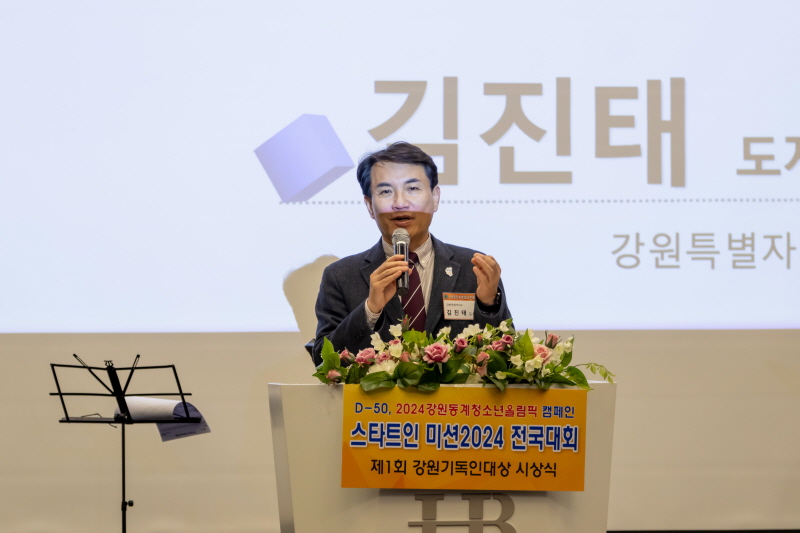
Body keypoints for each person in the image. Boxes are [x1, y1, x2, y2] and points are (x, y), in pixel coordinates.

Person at [311, 142, 511, 366]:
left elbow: (506, 359)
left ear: (435, 197)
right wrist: (370, 310)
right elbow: (323, 361)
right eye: (386, 192)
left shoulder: (474, 267)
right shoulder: (341, 276)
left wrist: (488, 305)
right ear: (369, 205)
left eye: (413, 189)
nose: (400, 203)